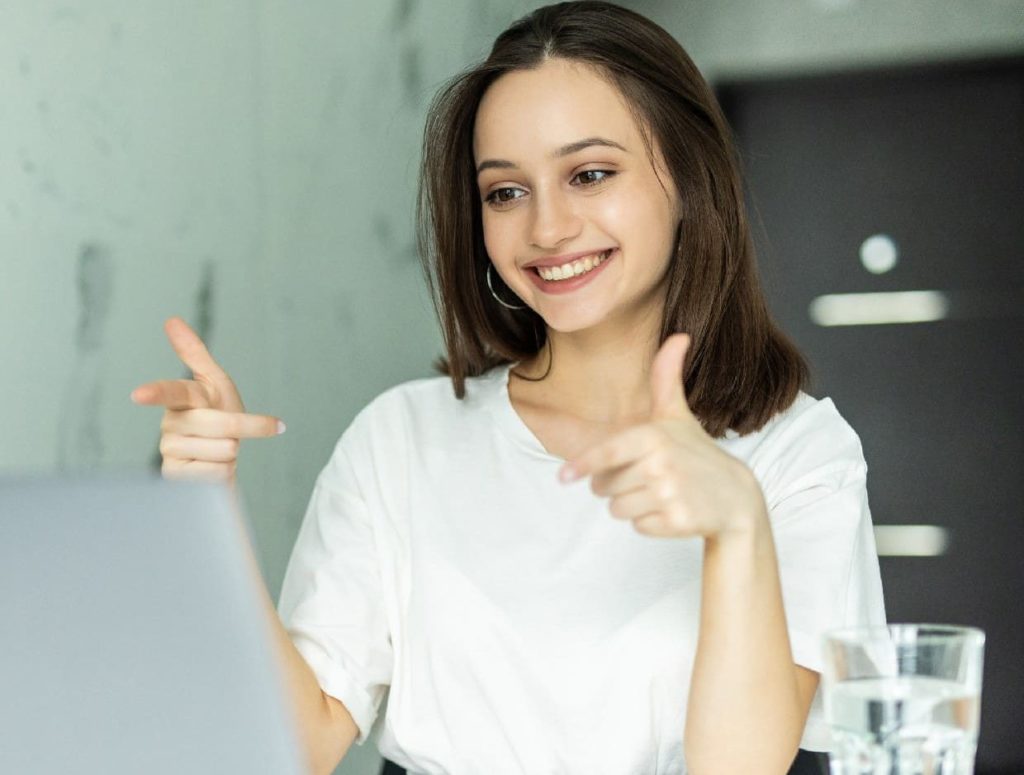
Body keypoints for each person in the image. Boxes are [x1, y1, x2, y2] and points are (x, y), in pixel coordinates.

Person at [131, 2, 885, 773]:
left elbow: (743, 767)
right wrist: (207, 510)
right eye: (505, 192)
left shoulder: (800, 455)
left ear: (689, 179)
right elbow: (295, 746)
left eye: (590, 174)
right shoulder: (400, 439)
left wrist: (737, 527)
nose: (548, 228)